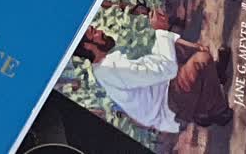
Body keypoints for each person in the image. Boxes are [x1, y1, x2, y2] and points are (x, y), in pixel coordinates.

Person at [74, 22, 233, 133]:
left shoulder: (105, 65)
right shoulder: (111, 69)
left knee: (173, 47)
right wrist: (160, 30)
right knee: (201, 60)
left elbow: (153, 63)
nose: (100, 31)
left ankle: (214, 76)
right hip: (169, 107)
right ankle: (216, 111)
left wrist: (188, 45)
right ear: (88, 46)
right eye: (94, 32)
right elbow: (167, 70)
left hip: (164, 91)